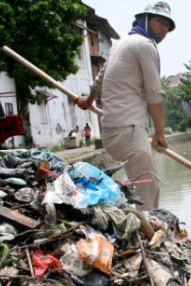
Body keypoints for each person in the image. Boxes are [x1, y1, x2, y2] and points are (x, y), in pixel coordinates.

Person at [75, 1, 175, 211]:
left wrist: (87, 102)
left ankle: (140, 228)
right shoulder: (145, 45)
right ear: (144, 20)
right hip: (128, 130)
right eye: (159, 22)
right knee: (148, 190)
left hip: (112, 134)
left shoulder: (119, 44)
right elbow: (155, 94)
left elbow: (99, 81)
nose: (164, 29)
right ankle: (148, 239)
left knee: (141, 187)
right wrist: (159, 133)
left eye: (167, 25)